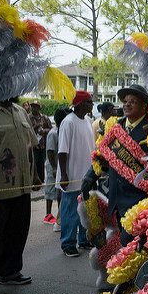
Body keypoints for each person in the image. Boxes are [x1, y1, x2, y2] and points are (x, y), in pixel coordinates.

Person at [103, 84, 148, 246]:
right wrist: (90, 175)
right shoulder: (116, 126)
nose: (127, 104)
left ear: (144, 106)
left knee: (133, 249)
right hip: (116, 197)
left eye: (133, 101)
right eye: (125, 101)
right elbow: (103, 155)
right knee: (123, 245)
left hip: (138, 200)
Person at [0, 97, 40, 294]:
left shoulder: (20, 112)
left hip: (22, 185)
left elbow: (30, 148)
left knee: (18, 230)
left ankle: (10, 271)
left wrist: (35, 175)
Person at [57, 90, 95, 257]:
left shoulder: (87, 121)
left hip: (86, 176)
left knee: (84, 211)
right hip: (71, 176)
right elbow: (62, 151)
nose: (92, 104)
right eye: (89, 101)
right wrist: (64, 175)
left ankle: (83, 239)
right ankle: (68, 244)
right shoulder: (68, 122)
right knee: (70, 211)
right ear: (80, 104)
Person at [44, 107, 69, 231]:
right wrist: (54, 168)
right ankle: (48, 214)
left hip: (60, 165)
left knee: (59, 190)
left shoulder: (62, 130)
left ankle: (60, 214)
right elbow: (50, 151)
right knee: (50, 188)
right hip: (52, 164)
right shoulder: (53, 133)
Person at [29, 101, 52, 219]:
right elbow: (27, 131)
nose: (34, 109)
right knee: (33, 163)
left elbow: (51, 129)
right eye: (32, 107)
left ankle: (41, 181)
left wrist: (44, 131)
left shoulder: (45, 118)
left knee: (41, 163)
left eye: (36, 107)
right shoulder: (28, 118)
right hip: (33, 145)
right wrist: (35, 128)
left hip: (43, 144)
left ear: (39, 108)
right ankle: (34, 182)